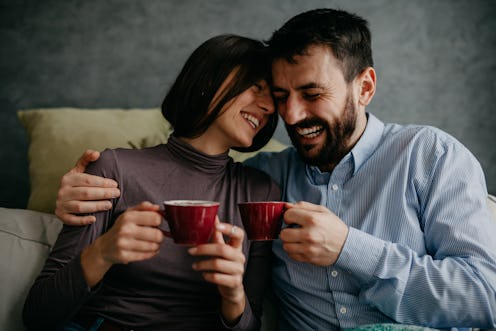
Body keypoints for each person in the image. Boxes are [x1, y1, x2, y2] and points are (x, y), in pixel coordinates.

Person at [53, 8, 496, 331]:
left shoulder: (430, 155)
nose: (290, 113)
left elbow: (486, 297)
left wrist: (350, 248)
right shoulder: (268, 180)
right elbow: (188, 166)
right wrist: (83, 183)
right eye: (282, 95)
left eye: (311, 92)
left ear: (364, 87)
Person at [23, 34, 281, 331]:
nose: (269, 107)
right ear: (210, 78)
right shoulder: (114, 168)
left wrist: (233, 295)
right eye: (256, 87)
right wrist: (103, 252)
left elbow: (251, 323)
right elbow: (38, 315)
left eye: (273, 98)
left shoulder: (261, 193)